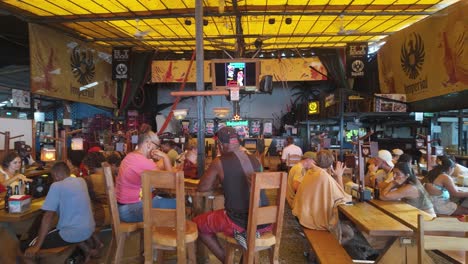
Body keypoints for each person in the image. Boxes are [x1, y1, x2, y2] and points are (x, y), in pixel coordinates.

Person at [192, 127, 270, 262]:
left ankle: (227, 261)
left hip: (239, 222)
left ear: (220, 145)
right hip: (265, 221)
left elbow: (202, 188)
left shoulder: (219, 161)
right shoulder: (255, 159)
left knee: (196, 224)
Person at [24, 162, 97, 263]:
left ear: (56, 176)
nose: (53, 180)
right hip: (89, 229)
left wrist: (36, 246)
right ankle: (87, 250)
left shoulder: (57, 186)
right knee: (58, 228)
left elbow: (48, 217)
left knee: (28, 245)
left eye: (53, 177)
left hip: (73, 233)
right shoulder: (81, 181)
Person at [115, 124, 174, 223]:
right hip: (129, 210)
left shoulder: (131, 156)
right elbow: (171, 184)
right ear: (149, 144)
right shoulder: (142, 161)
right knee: (176, 203)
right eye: (157, 146)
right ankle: (163, 235)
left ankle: (158, 232)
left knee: (165, 201)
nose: (158, 150)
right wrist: (166, 157)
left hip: (123, 206)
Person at [292, 150, 351, 233]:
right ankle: (333, 245)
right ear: (330, 164)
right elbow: (343, 198)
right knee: (349, 232)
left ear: (316, 161)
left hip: (303, 216)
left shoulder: (311, 172)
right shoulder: (324, 177)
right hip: (314, 221)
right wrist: (339, 176)